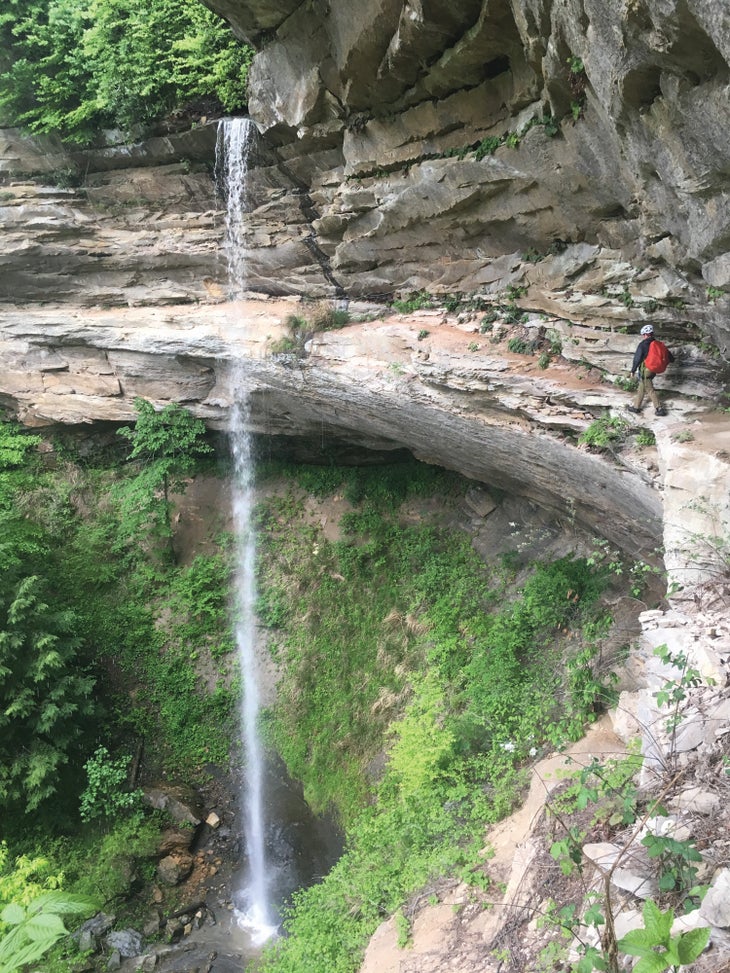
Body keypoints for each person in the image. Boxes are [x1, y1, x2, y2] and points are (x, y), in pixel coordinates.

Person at [627, 324, 673, 416]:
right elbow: (671, 357)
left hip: (645, 370)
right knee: (641, 386)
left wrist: (632, 370)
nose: (643, 337)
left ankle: (659, 408)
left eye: (643, 335)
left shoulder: (643, 344)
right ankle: (636, 407)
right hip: (653, 370)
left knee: (650, 389)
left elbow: (637, 358)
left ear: (645, 335)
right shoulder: (659, 344)